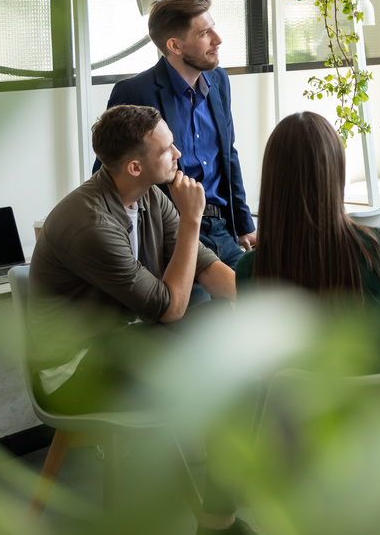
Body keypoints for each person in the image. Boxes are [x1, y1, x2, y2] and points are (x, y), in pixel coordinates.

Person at [29, 104, 246, 533]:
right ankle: (220, 515)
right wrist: (191, 218)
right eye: (167, 150)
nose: (179, 154)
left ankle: (222, 508)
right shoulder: (90, 224)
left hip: (121, 343)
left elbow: (202, 265)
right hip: (76, 372)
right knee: (221, 359)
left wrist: (257, 307)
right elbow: (169, 308)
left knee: (232, 336)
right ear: (134, 166)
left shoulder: (145, 196)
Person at [234, 112, 380, 375]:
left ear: (272, 180)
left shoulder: (250, 269)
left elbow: (258, 372)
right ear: (336, 173)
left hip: (295, 416)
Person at [104, 0, 256, 295]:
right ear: (174, 46)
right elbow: (111, 176)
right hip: (170, 237)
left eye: (213, 28)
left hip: (221, 230)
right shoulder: (135, 91)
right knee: (207, 319)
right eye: (204, 34)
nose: (218, 39)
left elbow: (228, 155)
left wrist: (244, 222)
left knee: (262, 300)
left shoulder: (219, 81)